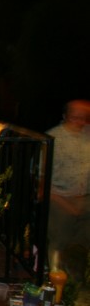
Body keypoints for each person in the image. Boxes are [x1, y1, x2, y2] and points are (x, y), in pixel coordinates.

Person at [46, 99, 90, 278]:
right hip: (59, 197)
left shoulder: (87, 135)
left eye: (84, 118)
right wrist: (63, 203)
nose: (80, 122)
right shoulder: (54, 138)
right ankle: (55, 280)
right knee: (59, 242)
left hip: (85, 197)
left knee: (82, 241)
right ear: (65, 116)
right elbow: (41, 177)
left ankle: (76, 278)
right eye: (75, 117)